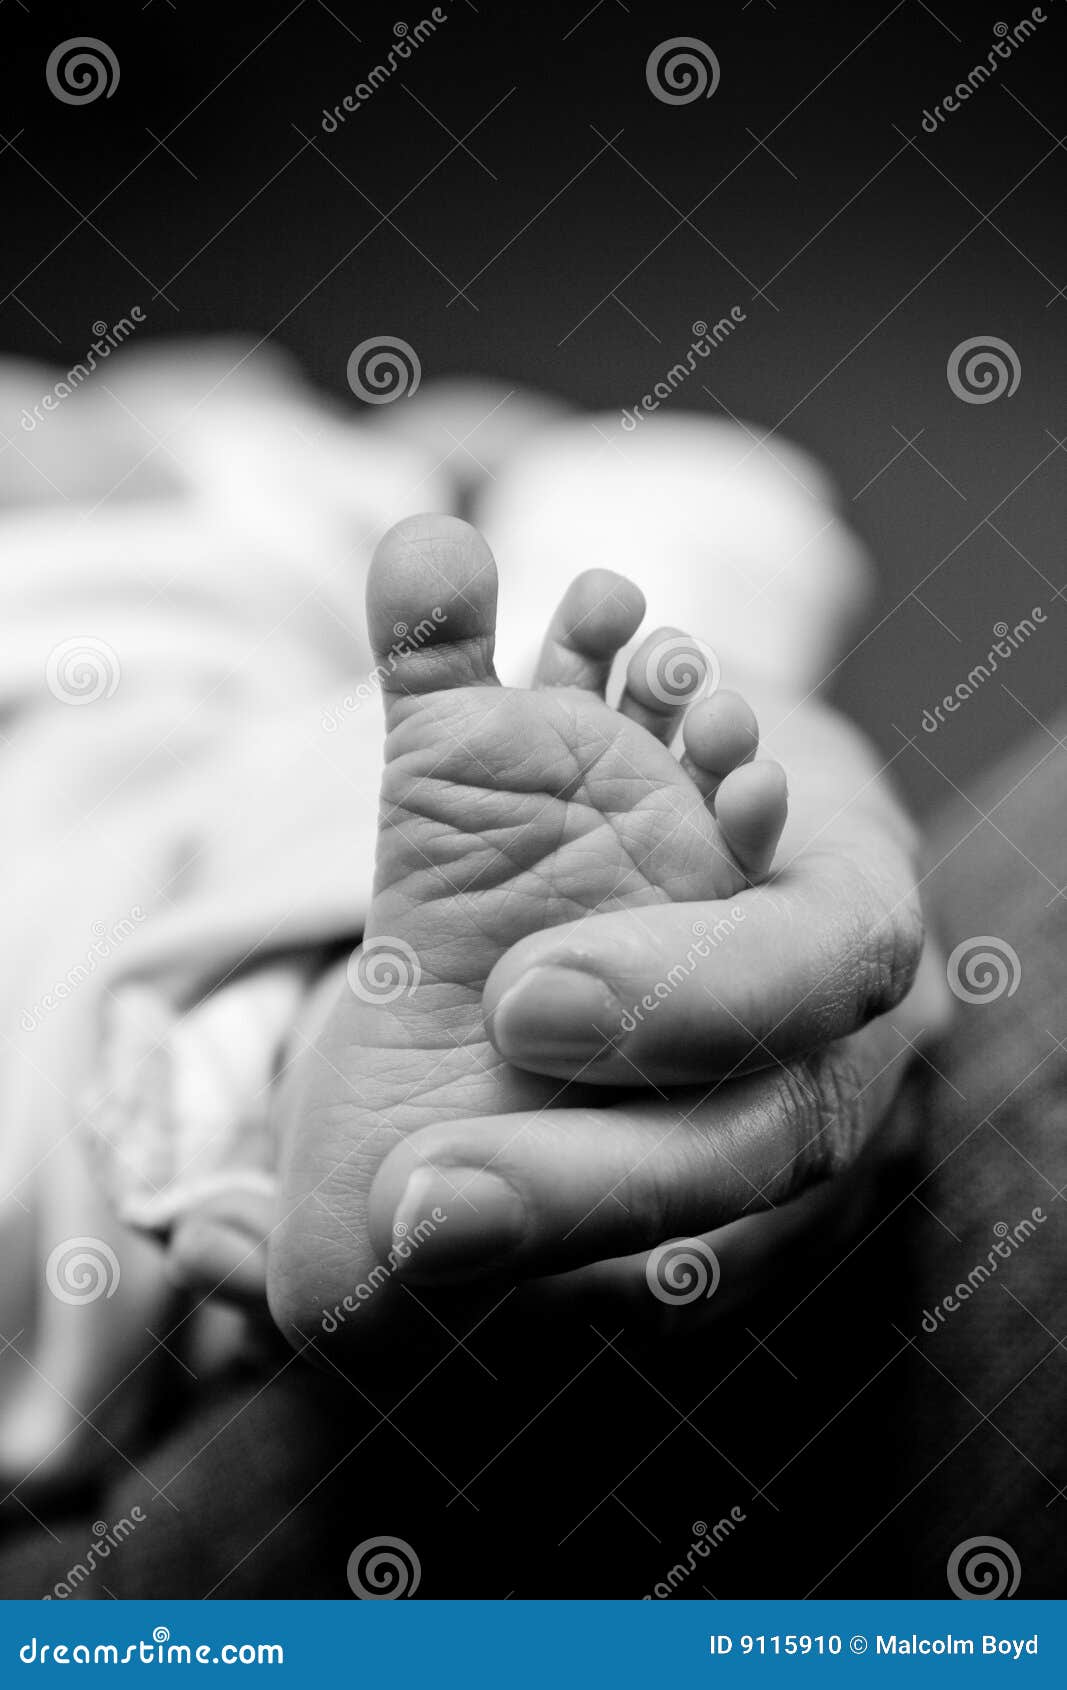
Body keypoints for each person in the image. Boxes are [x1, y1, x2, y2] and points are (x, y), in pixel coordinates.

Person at [0, 342, 956, 1595]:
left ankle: (390, 1027)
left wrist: (415, 454)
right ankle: (331, 1076)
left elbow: (421, 446)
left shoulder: (225, 432)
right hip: (103, 767)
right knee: (99, 971)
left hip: (310, 731)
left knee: (672, 495)